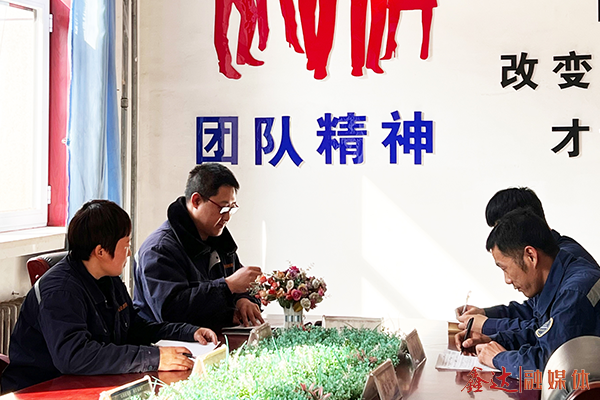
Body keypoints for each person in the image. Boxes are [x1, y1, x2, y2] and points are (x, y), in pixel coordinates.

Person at [1, 200, 217, 394]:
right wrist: (154, 357)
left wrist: (188, 332)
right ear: (101, 252)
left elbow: (134, 327)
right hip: (42, 389)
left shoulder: (107, 277)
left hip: (91, 382)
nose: (129, 253)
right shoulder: (60, 291)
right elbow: (75, 356)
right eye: (126, 245)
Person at [455, 208, 600, 377]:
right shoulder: (561, 274)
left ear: (530, 256)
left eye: (505, 268)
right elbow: (541, 331)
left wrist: (498, 358)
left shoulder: (573, 293)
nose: (507, 280)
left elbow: (550, 368)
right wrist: (494, 340)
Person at [133, 164, 263, 330]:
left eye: (232, 209)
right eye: (223, 208)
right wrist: (227, 286)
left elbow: (242, 285)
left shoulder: (220, 240)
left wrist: (244, 299)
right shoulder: (159, 249)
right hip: (167, 343)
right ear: (196, 201)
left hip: (213, 337)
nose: (227, 217)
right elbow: (171, 312)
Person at [456, 187, 598, 335]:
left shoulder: (569, 269)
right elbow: (533, 310)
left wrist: (488, 326)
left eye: (504, 228)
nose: (499, 237)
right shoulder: (553, 259)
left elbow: (542, 332)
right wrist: (486, 315)